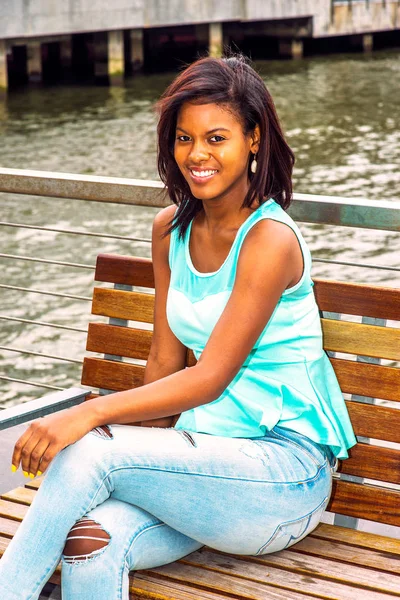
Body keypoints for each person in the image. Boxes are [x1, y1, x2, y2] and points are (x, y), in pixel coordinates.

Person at [0, 54, 356, 600]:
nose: (198, 155)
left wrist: (90, 415)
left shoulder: (269, 242)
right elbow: (166, 363)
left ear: (253, 139)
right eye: (184, 138)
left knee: (90, 449)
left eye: (217, 138)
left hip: (283, 477)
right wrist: (139, 445)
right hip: (205, 468)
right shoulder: (170, 230)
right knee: (92, 540)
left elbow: (209, 377)